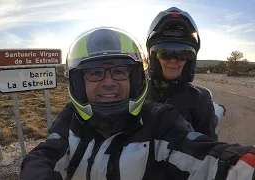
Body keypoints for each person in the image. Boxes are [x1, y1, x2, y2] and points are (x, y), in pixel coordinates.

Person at [20, 27, 255, 180]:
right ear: (79, 82)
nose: (109, 82)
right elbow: (44, 155)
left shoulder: (160, 120)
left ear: (134, 78)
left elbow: (211, 157)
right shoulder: (72, 117)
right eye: (94, 73)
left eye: (120, 71)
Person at [145, 7, 221, 180]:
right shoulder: (136, 93)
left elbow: (210, 154)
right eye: (165, 53)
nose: (173, 60)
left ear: (190, 60)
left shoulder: (201, 99)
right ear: (154, 57)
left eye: (182, 54)